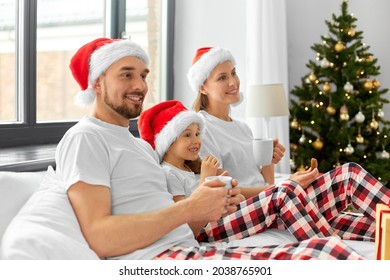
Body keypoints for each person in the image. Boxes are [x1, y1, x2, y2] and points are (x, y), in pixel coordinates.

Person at [55, 37, 365, 260]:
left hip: (193, 246)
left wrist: (204, 207)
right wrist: (191, 207)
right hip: (167, 260)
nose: (140, 85)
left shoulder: (138, 146)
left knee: (327, 247)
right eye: (127, 74)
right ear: (96, 82)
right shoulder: (86, 137)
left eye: (143, 75)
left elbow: (182, 218)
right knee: (327, 253)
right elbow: (100, 238)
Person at [187, 46, 390, 242]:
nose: (233, 82)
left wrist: (270, 161)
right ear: (203, 87)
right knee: (349, 175)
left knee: (366, 226)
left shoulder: (242, 128)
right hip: (233, 212)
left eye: (233, 73)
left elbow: (262, 183)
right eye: (222, 78)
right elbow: (222, 194)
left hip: (269, 204)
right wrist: (287, 185)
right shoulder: (201, 128)